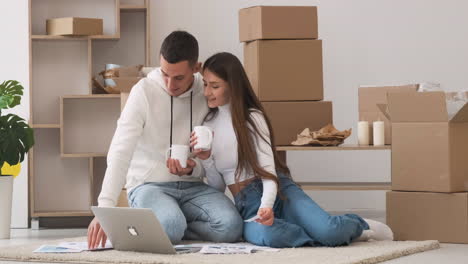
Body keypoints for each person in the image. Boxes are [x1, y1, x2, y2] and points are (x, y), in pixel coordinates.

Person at [191, 52, 393, 248]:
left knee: (330, 232)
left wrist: (267, 206)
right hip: (247, 205)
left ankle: (358, 225)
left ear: (233, 87)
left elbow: (268, 172)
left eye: (215, 86)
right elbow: (217, 187)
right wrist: (207, 159)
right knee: (270, 235)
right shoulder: (208, 124)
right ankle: (316, 233)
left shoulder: (252, 118)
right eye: (205, 84)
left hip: (278, 191)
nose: (207, 92)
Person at [87, 32, 243, 249]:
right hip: (149, 186)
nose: (170, 84)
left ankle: (167, 224)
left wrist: (193, 169)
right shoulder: (143, 91)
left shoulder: (206, 91)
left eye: (179, 77)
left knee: (231, 227)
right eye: (165, 74)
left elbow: (216, 146)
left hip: (193, 187)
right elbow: (120, 151)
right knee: (170, 227)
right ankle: (167, 223)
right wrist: (104, 208)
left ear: (196, 68)